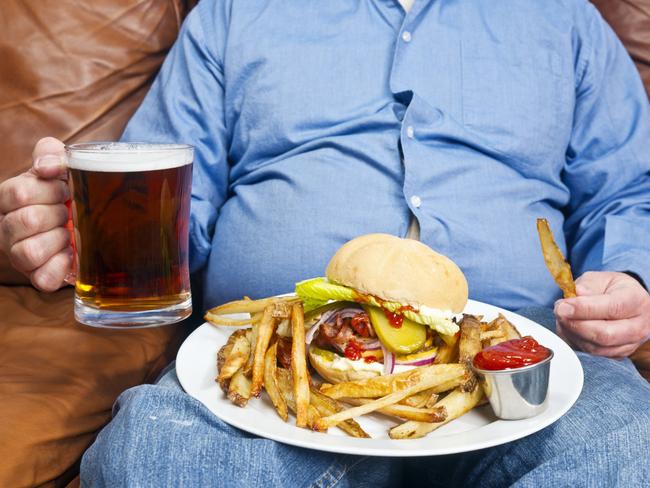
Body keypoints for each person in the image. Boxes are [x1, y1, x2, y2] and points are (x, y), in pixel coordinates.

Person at [1, 0, 649, 485]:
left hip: (523, 353)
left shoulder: (564, 18)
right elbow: (164, 209)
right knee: (149, 456)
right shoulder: (234, 14)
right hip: (276, 355)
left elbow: (630, 190)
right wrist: (79, 230)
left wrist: (630, 277)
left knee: (627, 454)